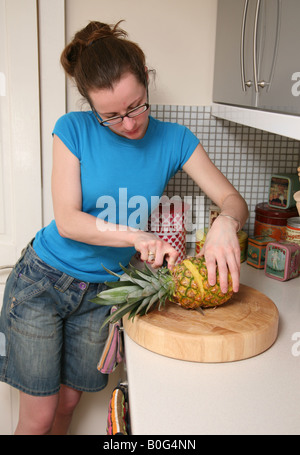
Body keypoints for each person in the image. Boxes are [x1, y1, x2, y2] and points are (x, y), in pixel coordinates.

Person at [0, 20, 248, 435]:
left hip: (103, 291)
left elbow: (233, 200)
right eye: (110, 117)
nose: (130, 124)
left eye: (136, 106)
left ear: (146, 80)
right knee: (39, 416)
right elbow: (68, 220)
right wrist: (137, 236)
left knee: (69, 402)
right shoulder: (72, 129)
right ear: (90, 107)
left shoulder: (176, 139)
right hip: (43, 284)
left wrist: (227, 221)